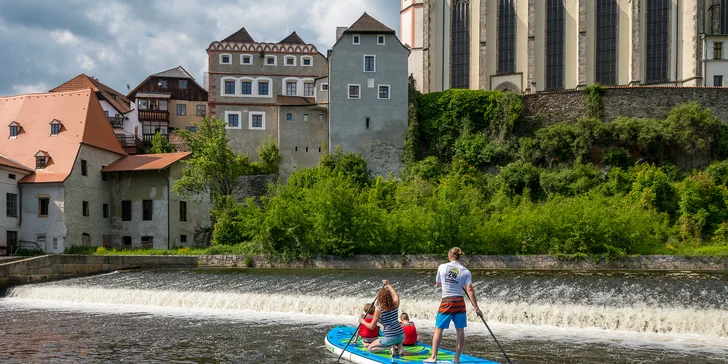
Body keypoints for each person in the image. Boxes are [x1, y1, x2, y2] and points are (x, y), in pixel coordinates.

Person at [424, 247, 482, 364]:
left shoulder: (442, 267)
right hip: (460, 302)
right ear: (459, 256)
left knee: (438, 329)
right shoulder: (465, 271)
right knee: (460, 330)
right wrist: (477, 308)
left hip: (447, 301)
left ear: (450, 255)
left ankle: (433, 357)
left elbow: (438, 284)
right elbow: (470, 289)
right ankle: (456, 359)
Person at [358, 280, 405, 357]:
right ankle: (399, 346)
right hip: (401, 336)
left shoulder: (379, 310)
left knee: (370, 348)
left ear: (380, 298)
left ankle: (390, 347)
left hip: (389, 338)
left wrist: (362, 321)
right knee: (396, 339)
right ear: (390, 297)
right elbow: (396, 295)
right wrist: (388, 284)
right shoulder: (396, 304)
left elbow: (371, 326)